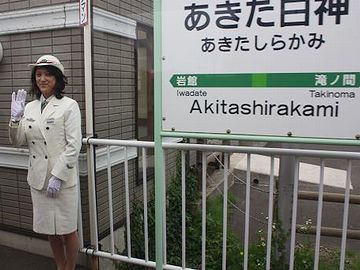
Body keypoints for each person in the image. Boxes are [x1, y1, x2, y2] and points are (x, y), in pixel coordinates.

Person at [9, 55, 82, 270]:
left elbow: (73, 145)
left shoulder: (69, 105)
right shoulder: (29, 108)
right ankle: (60, 266)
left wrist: (58, 176)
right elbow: (18, 141)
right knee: (49, 230)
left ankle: (70, 268)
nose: (43, 79)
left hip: (62, 180)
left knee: (67, 230)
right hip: (38, 178)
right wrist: (14, 119)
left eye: (48, 74)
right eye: (39, 75)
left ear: (57, 78)